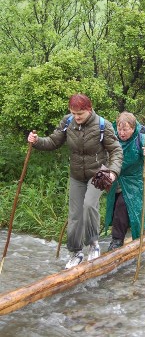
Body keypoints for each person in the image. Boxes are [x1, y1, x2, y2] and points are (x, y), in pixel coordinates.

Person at [27, 94, 123, 269]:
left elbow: (116, 151)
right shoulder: (67, 122)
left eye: (80, 114)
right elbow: (53, 141)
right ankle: (75, 252)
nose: (76, 118)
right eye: (73, 113)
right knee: (75, 215)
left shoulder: (103, 125)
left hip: (99, 174)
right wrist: (37, 141)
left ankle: (93, 243)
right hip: (77, 175)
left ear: (89, 109)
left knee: (88, 205)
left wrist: (113, 172)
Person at [105, 112, 145, 250]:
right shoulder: (113, 139)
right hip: (116, 179)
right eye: (119, 129)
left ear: (133, 128)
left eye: (125, 129)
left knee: (122, 206)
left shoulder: (141, 139)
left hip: (135, 183)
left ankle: (117, 240)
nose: (122, 132)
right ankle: (118, 235)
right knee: (115, 209)